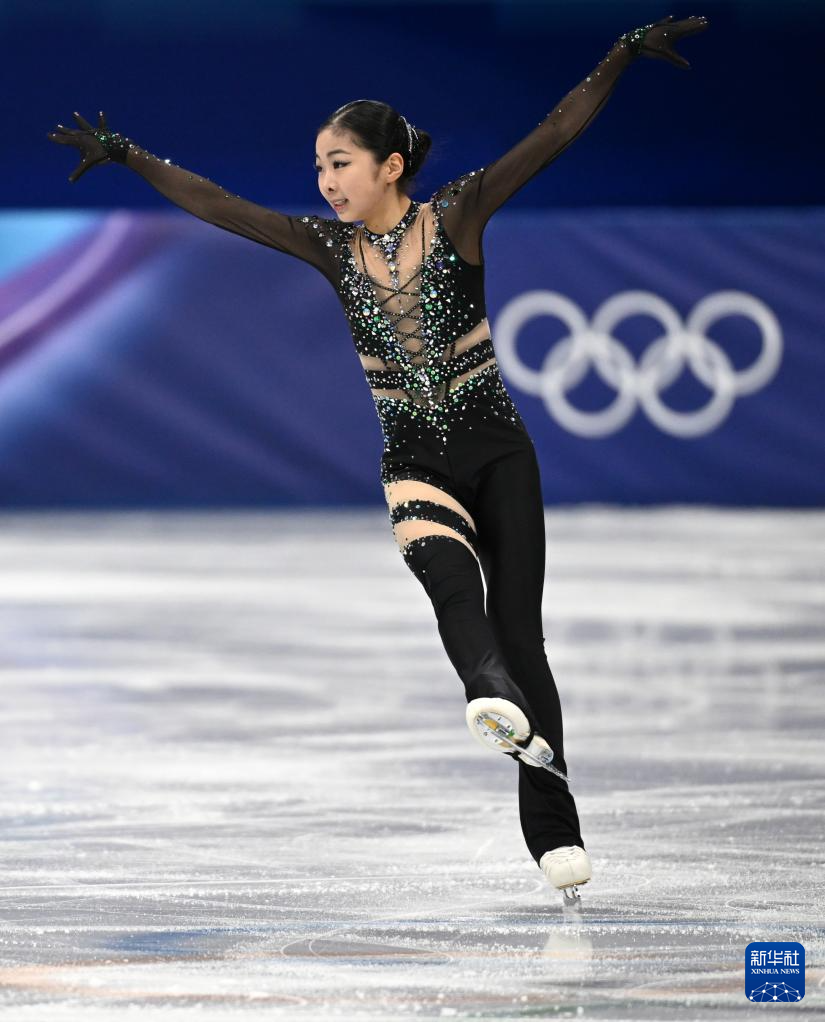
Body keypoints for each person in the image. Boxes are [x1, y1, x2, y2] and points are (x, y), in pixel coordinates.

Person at [47, 13, 708, 904]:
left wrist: (619, 56)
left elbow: (552, 134)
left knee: (522, 634)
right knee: (449, 588)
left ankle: (554, 827)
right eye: (319, 167)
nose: (324, 182)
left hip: (498, 452)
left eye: (339, 164)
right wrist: (130, 155)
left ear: (389, 166)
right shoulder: (329, 247)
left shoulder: (460, 212)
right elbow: (221, 205)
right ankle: (487, 695)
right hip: (413, 456)